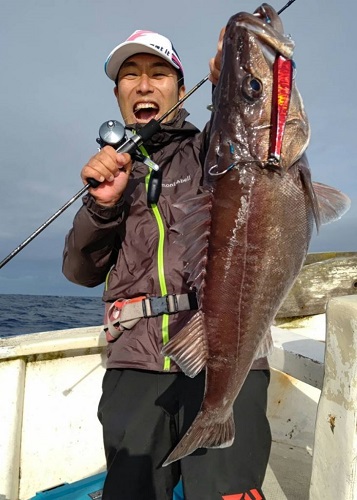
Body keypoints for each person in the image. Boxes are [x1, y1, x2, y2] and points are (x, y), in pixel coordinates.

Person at [62, 29, 271, 500]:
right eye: (128, 77)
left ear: (181, 87)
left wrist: (231, 84)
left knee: (231, 492)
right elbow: (79, 271)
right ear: (117, 95)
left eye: (158, 74)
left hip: (227, 355)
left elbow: (255, 140)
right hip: (135, 363)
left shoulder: (216, 153)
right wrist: (103, 207)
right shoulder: (111, 171)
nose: (142, 85)